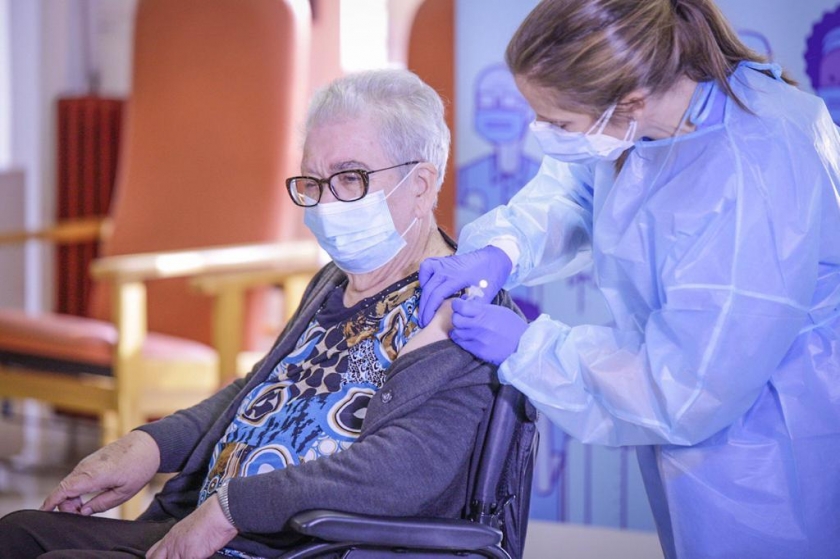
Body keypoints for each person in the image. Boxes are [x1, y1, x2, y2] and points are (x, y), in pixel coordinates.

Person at [0, 69, 517, 558]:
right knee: (17, 533)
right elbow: (259, 394)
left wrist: (231, 508)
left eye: (349, 178)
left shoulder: (459, 307)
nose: (326, 204)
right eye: (313, 182)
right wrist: (149, 445)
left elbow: (405, 470)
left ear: (422, 184)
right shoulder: (335, 281)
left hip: (302, 546)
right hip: (224, 528)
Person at [418, 1, 840, 557]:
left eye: (558, 123)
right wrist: (505, 246)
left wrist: (532, 348)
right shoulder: (652, 114)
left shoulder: (754, 171)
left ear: (632, 101)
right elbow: (575, 188)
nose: (543, 134)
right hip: (711, 441)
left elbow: (688, 389)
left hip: (769, 460)